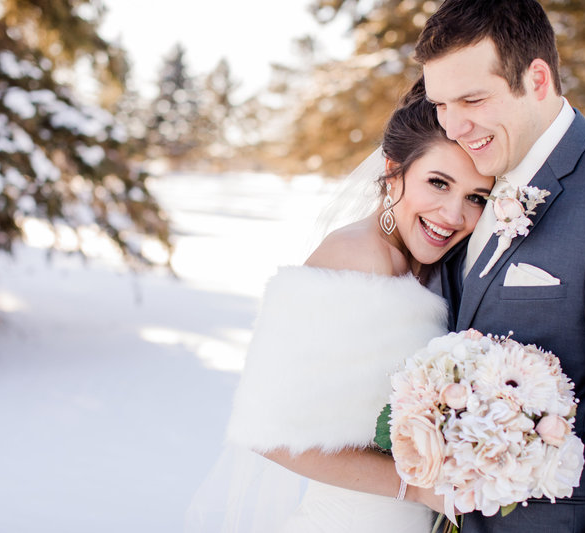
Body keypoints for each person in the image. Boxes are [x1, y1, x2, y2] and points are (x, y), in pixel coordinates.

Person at [185, 79, 493, 532]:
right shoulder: (358, 260)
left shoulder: (428, 265)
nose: (453, 215)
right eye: (438, 183)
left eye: (475, 197)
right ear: (393, 171)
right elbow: (272, 438)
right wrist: (419, 487)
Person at [413, 1, 585, 531]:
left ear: (536, 78)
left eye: (473, 99)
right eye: (440, 103)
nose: (453, 125)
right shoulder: (469, 188)